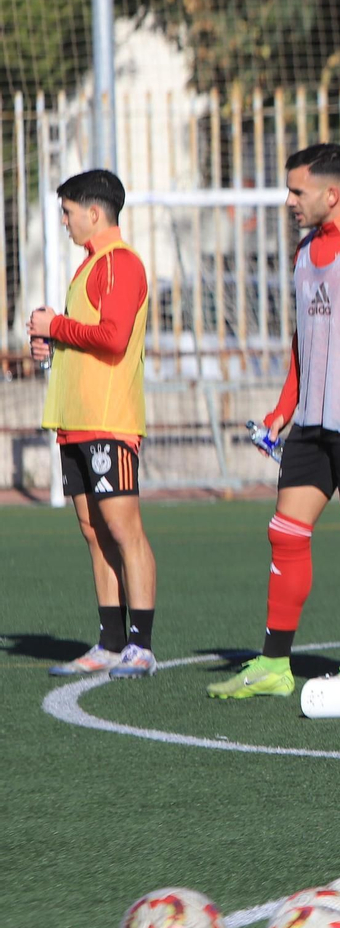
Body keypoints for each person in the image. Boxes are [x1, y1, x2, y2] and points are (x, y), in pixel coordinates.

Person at [208, 143, 340, 699]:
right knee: (284, 533)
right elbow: (304, 344)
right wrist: (282, 411)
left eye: (297, 191)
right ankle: (274, 664)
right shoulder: (304, 252)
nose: (288, 201)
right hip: (311, 423)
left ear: (332, 192)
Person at [31, 170, 159, 678]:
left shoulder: (122, 265)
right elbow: (84, 340)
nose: (64, 221)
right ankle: (108, 643)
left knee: (124, 529)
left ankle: (141, 645)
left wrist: (55, 326)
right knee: (92, 530)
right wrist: (50, 345)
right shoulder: (89, 268)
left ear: (94, 212)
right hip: (76, 422)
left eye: (67, 212)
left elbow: (112, 338)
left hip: (109, 419)